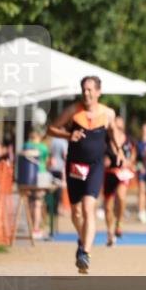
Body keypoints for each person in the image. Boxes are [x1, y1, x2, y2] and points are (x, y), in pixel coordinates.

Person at [48, 76, 117, 273]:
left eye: (90, 90)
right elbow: (51, 129)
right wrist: (68, 135)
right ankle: (82, 238)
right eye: (84, 89)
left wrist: (119, 149)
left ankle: (85, 254)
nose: (86, 93)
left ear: (98, 92)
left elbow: (113, 132)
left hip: (95, 166)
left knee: (88, 208)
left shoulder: (108, 113)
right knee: (76, 212)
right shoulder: (73, 111)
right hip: (75, 166)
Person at [104, 116, 135, 245]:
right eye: (116, 127)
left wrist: (129, 162)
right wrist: (104, 161)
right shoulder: (106, 140)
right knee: (108, 207)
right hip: (109, 173)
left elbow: (133, 155)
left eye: (121, 127)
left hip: (123, 174)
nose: (119, 129)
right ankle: (110, 234)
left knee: (121, 196)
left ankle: (119, 223)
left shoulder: (128, 141)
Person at [22, 128, 50, 239]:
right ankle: (36, 228)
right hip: (40, 176)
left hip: (28, 176)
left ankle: (30, 227)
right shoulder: (43, 148)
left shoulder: (26, 146)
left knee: (30, 202)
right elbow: (46, 161)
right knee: (38, 203)